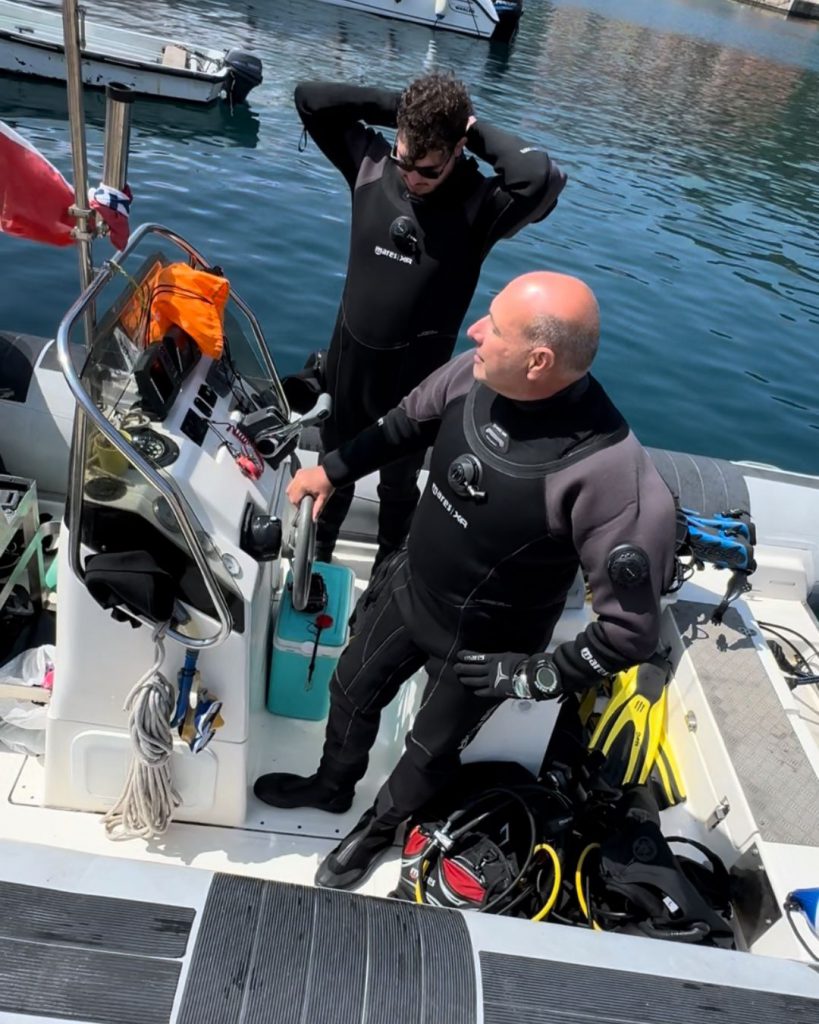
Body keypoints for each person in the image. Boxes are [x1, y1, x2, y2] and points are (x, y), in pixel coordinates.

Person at [255, 271, 678, 890]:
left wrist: (533, 675)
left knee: (429, 752)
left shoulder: (613, 478)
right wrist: (334, 471)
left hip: (489, 644)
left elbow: (630, 632)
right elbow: (403, 424)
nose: (476, 330)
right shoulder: (474, 376)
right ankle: (331, 786)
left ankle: (376, 832)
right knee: (348, 689)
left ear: (539, 360)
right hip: (412, 587)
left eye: (495, 327)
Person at [292, 73, 566, 566]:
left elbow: (540, 176)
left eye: (428, 168)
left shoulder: (478, 206)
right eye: (405, 160)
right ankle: (311, 579)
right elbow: (310, 100)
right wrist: (402, 109)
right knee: (332, 480)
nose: (411, 177)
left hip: (414, 391)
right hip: (349, 370)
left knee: (399, 496)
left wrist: (469, 128)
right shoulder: (373, 164)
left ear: (458, 150)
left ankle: (379, 595)